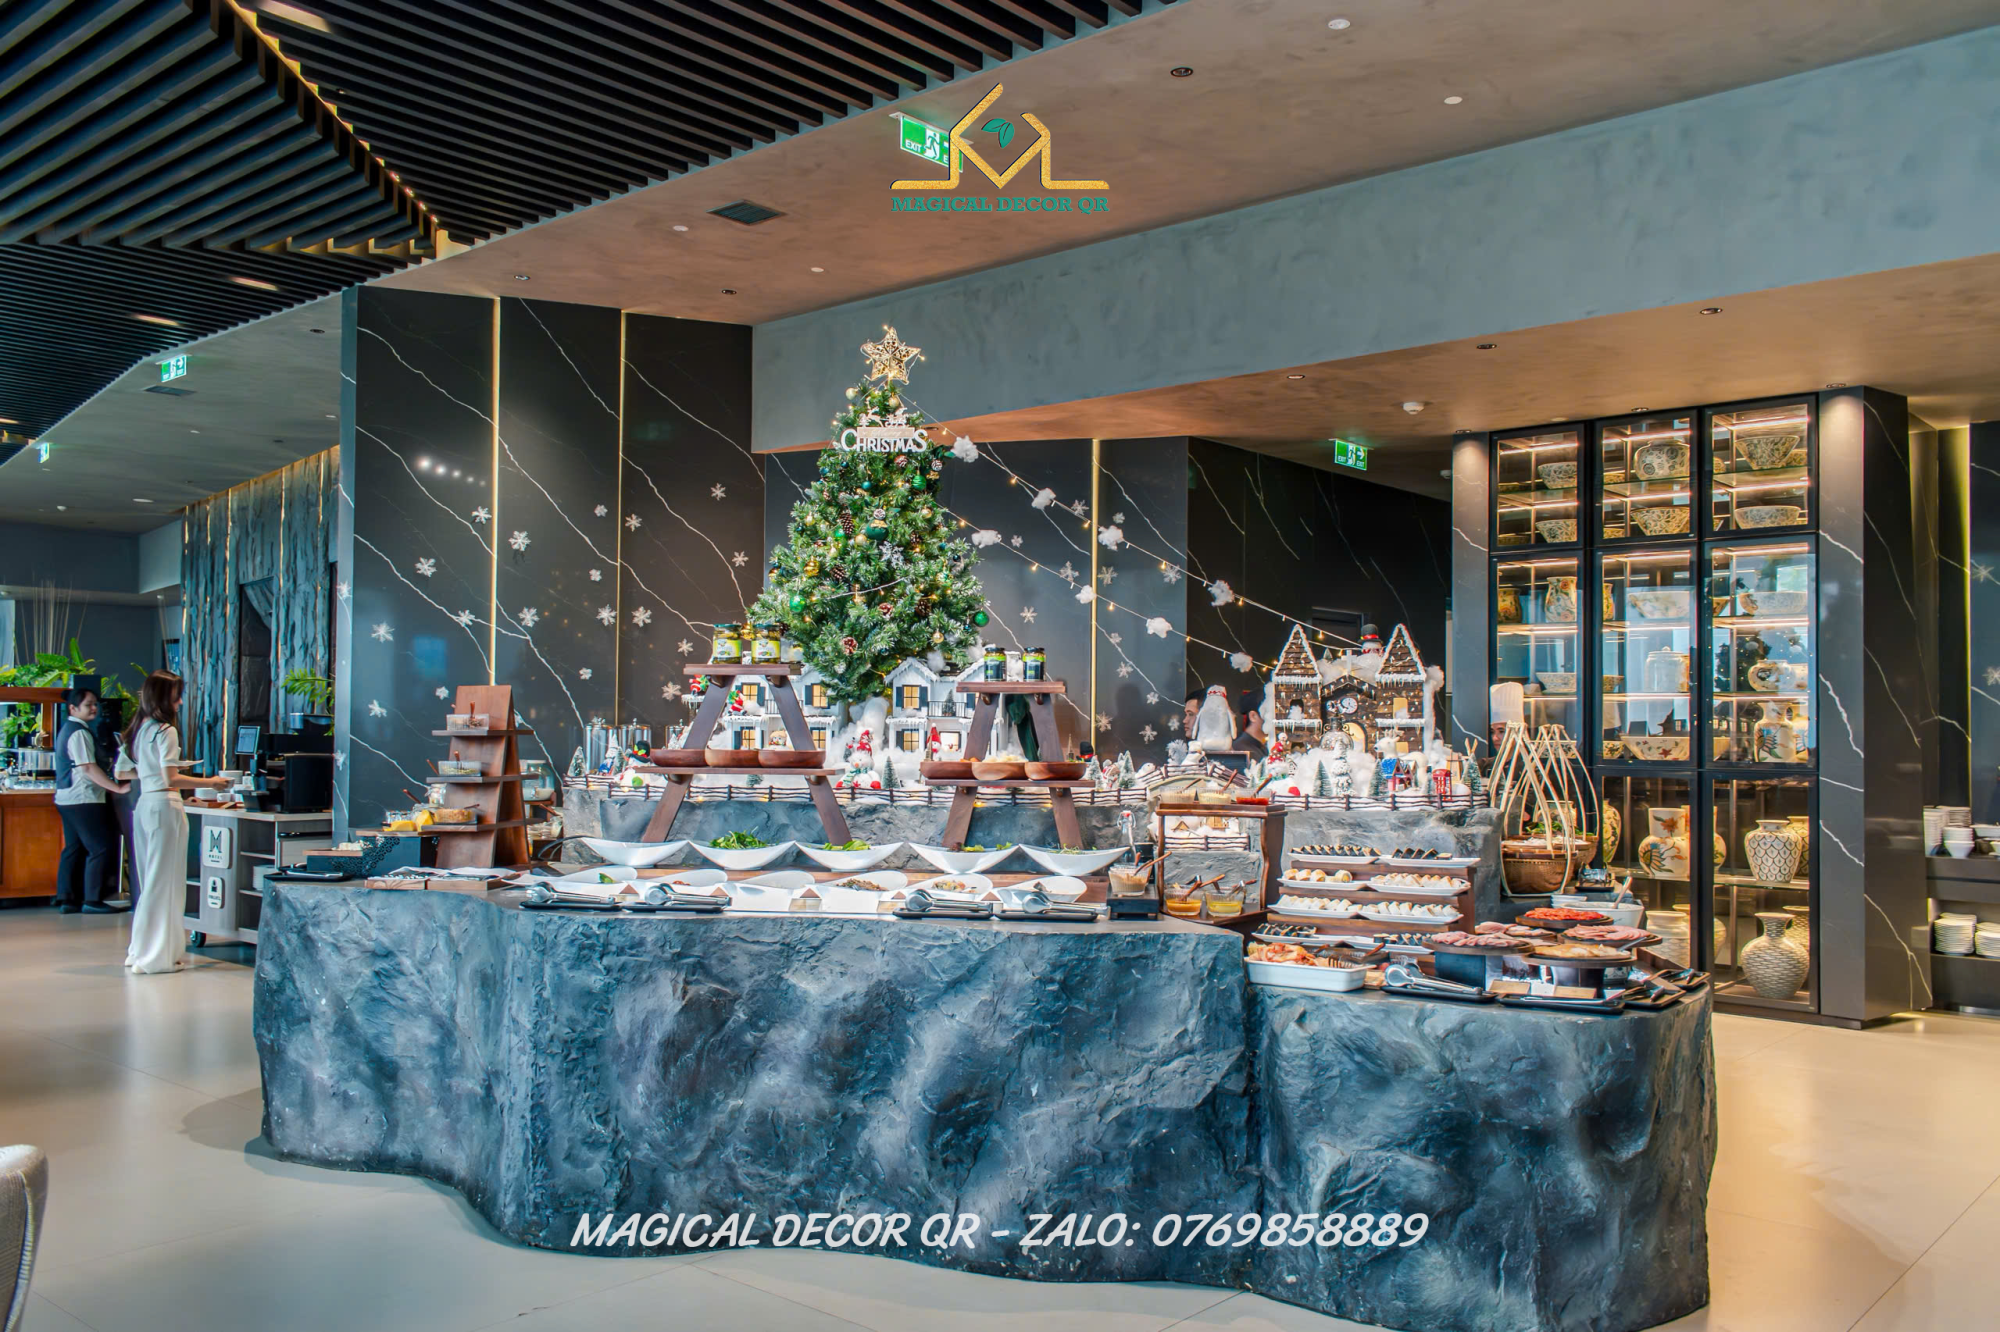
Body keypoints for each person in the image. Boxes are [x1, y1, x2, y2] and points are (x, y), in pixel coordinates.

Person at [123, 671, 227, 974]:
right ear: (163, 697)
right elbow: (171, 778)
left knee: (151, 882)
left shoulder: (139, 728)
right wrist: (211, 782)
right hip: (165, 806)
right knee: (166, 883)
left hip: (145, 805)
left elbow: (123, 772)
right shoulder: (165, 731)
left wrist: (151, 774)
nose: (180, 702)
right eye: (176, 696)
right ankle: (157, 957)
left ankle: (141, 952)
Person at [54, 686, 130, 914]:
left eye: (95, 704)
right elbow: (87, 768)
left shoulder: (68, 728)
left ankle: (67, 899)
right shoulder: (79, 733)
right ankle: (92, 900)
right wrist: (117, 788)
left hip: (66, 798)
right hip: (83, 798)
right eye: (88, 705)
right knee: (100, 847)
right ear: (73, 708)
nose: (94, 708)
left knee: (74, 848)